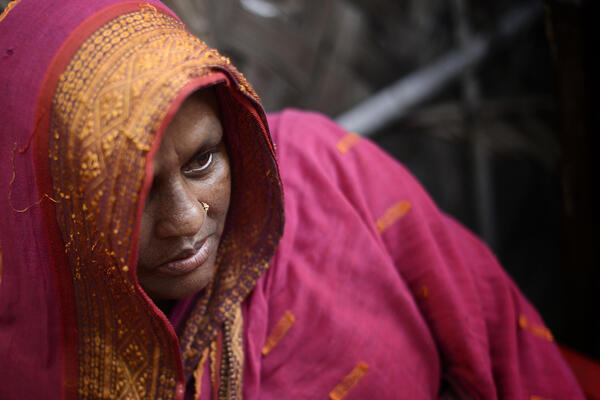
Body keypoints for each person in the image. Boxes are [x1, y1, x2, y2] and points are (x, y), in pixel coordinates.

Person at [0, 0, 584, 399]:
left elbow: (503, 344)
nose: (184, 222)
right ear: (51, 202)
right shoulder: (31, 358)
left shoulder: (330, 177)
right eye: (132, 193)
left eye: (204, 160)